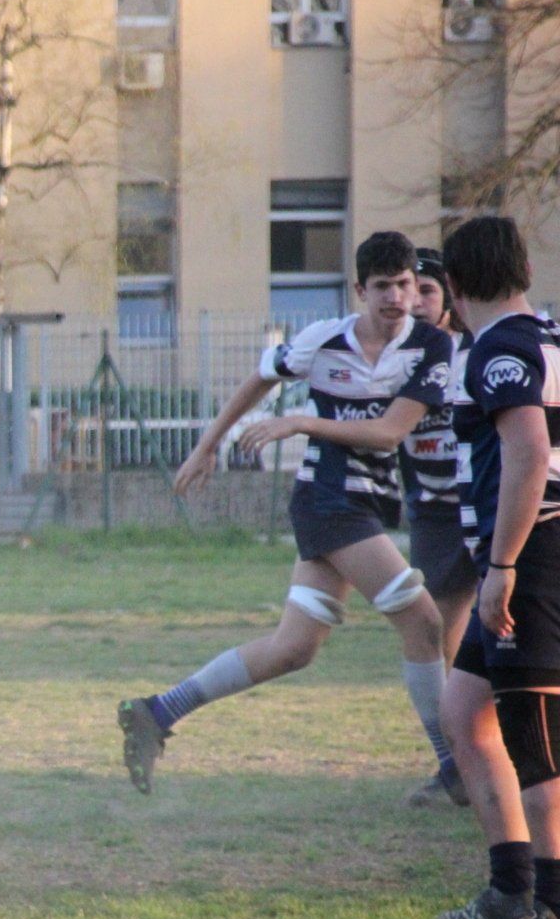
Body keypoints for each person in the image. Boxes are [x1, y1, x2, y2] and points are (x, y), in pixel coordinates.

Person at [118, 231, 456, 799]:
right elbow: (259, 378)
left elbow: (389, 432)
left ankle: (157, 711)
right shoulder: (323, 339)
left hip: (366, 503)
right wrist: (206, 446)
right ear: (359, 290)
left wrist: (301, 421)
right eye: (383, 287)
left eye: (405, 285)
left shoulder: (430, 346)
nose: (397, 297)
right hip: (329, 500)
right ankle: (453, 768)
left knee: (294, 648)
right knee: (423, 623)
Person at [436, 216, 560, 919]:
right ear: (523, 270)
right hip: (529, 555)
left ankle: (551, 910)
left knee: (535, 739)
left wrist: (504, 566)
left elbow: (530, 451)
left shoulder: (499, 350)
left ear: (453, 287)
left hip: (532, 558)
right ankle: (509, 888)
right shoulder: (547, 338)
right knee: (464, 712)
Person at [396, 247, 477, 807]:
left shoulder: (476, 354)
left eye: (427, 290)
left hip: (488, 506)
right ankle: (457, 766)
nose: (416, 302)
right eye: (408, 290)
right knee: (439, 638)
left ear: (449, 299)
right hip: (434, 514)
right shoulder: (393, 361)